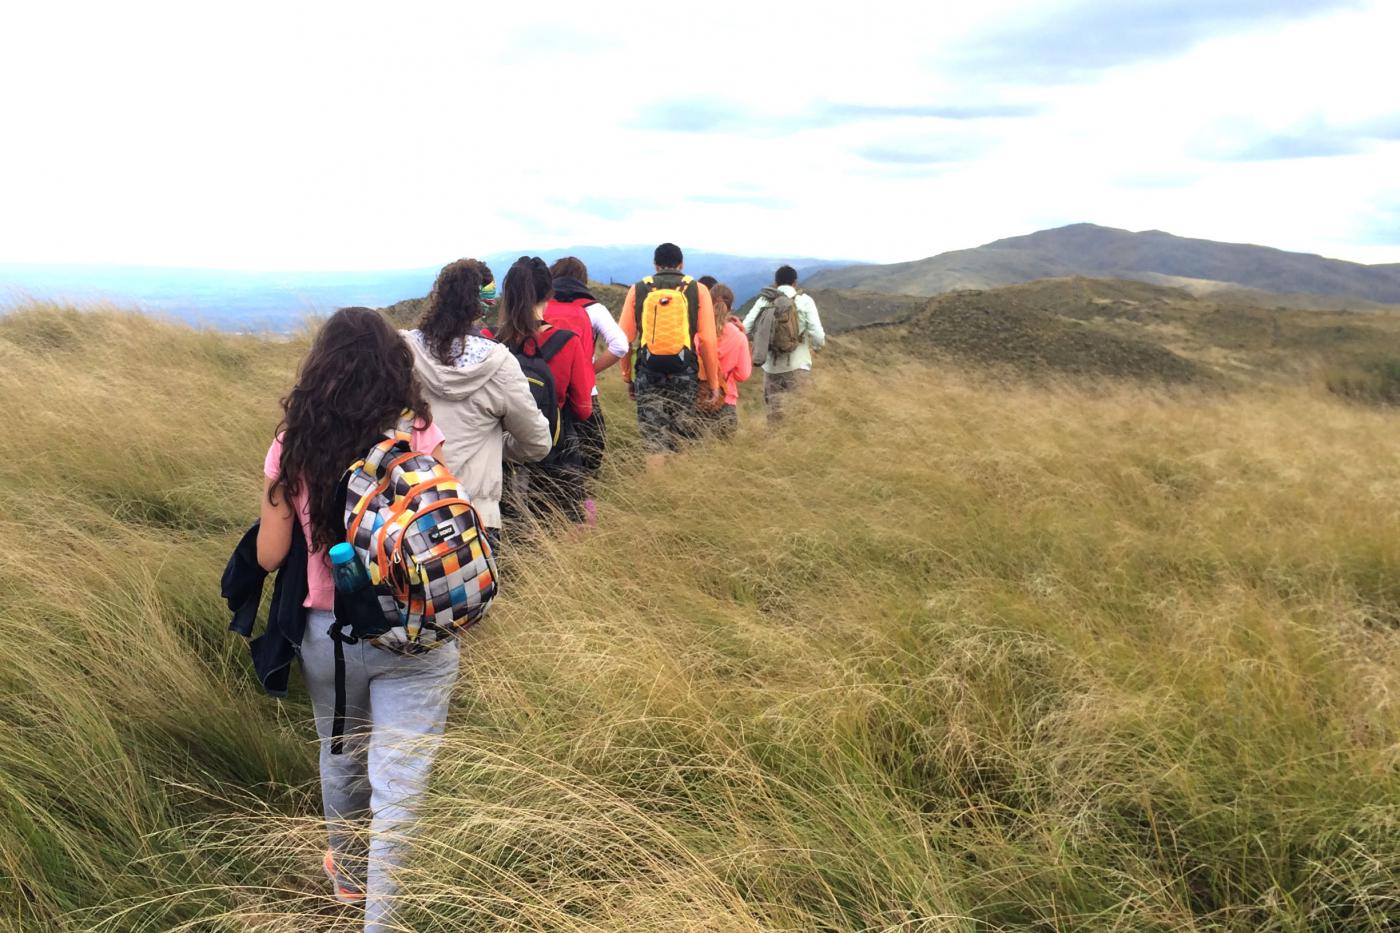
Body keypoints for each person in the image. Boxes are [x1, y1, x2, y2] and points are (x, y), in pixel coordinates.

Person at [256, 307, 454, 932]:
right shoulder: (419, 433)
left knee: (341, 756)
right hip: (420, 631)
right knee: (401, 784)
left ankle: (345, 873)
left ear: (322, 369)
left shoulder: (294, 444)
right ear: (395, 370)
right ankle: (383, 919)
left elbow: (268, 555)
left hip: (332, 637)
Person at [402, 258, 553, 553]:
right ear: (483, 305)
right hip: (474, 514)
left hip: (405, 510)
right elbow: (538, 443)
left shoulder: (402, 351)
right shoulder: (499, 363)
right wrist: (498, 443)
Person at [487, 256, 596, 525]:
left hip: (498, 453)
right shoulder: (567, 342)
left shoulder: (488, 340)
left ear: (507, 294)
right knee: (558, 528)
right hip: (553, 453)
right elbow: (584, 409)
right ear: (549, 293)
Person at [618, 242, 722, 461]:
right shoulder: (698, 289)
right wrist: (713, 382)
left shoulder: (638, 289)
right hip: (685, 371)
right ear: (681, 264)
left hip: (648, 371)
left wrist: (628, 378)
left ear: (655, 266)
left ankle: (656, 487)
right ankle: (680, 488)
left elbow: (624, 340)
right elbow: (707, 341)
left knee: (653, 439)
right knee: (682, 434)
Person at [547, 257, 629, 521]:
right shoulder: (592, 308)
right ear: (581, 280)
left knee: (547, 456)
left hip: (541, 396)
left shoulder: (540, 305)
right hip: (582, 397)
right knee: (588, 455)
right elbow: (620, 346)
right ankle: (585, 512)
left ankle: (547, 513)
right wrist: (586, 372)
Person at [742, 264, 825, 422]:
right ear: (795, 282)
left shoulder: (764, 300)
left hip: (771, 369)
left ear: (776, 283)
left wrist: (762, 339)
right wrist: (816, 348)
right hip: (798, 366)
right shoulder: (805, 301)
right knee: (801, 419)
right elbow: (818, 335)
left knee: (775, 420)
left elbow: (745, 328)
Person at [698, 283, 752, 439]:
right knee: (723, 455)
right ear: (730, 306)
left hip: (698, 398)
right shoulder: (739, 336)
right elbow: (743, 375)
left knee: (694, 454)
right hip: (726, 400)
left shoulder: (697, 330)